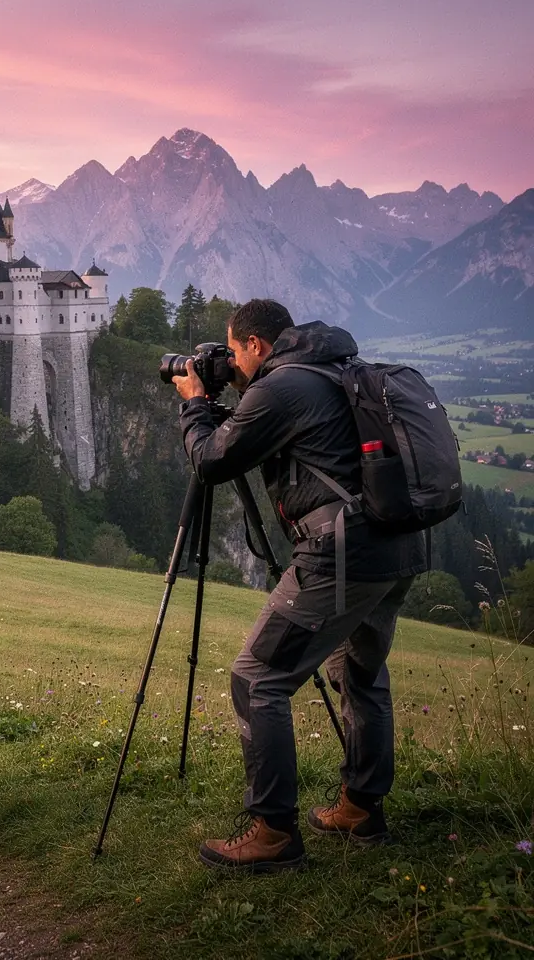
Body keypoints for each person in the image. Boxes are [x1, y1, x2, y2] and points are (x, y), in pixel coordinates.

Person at [171, 298, 425, 873]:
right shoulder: (331, 368)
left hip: (342, 555)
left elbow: (212, 460)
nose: (230, 363)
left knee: (258, 676)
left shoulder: (281, 387)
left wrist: (195, 407)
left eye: (233, 352)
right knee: (358, 671)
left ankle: (273, 832)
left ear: (256, 345)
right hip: (399, 545)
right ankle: (361, 808)